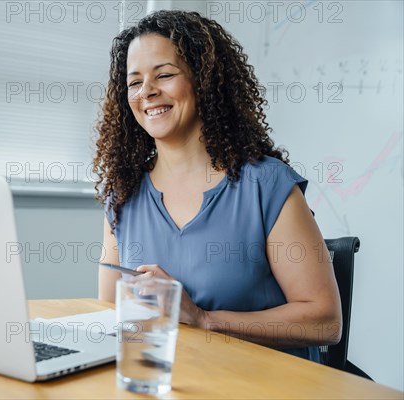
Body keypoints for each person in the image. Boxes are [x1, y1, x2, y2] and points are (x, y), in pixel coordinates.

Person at [91, 10, 341, 362]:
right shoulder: (123, 196)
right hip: (169, 383)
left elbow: (325, 322)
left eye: (163, 74)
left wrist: (204, 320)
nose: (147, 91)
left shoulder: (267, 185)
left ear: (204, 80)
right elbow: (112, 317)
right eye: (134, 82)